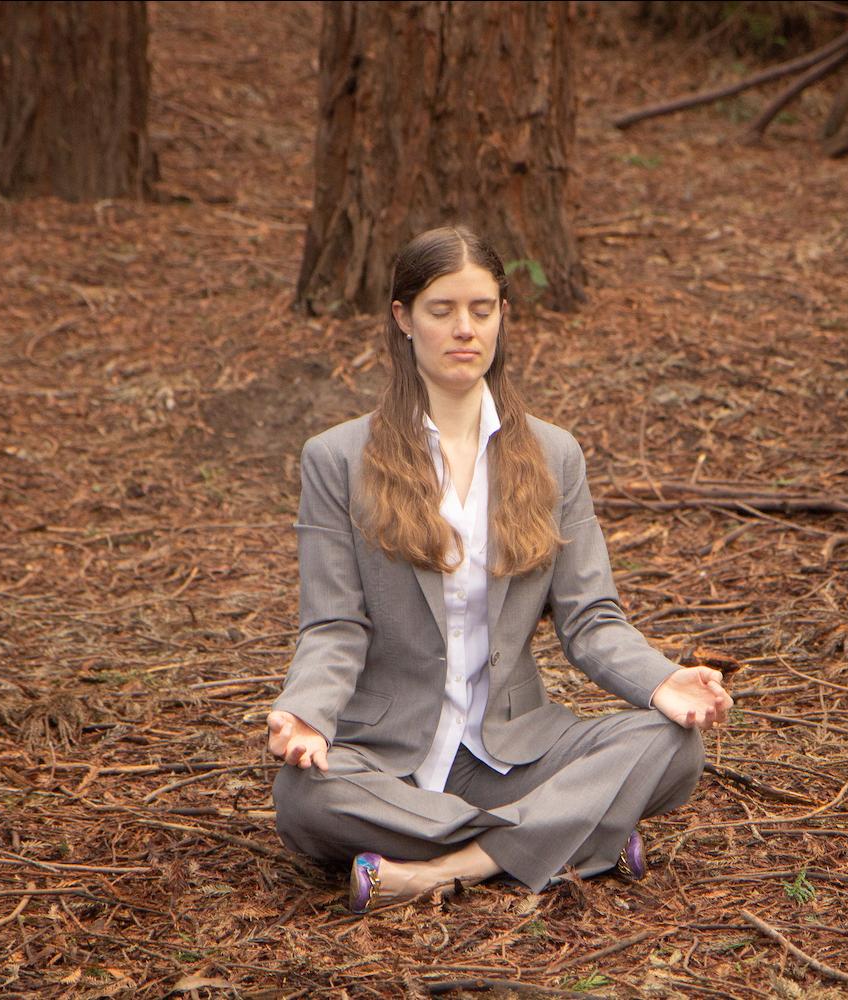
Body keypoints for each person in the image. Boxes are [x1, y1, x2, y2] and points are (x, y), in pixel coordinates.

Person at [266, 225, 731, 913]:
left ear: (503, 315)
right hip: (389, 758)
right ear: (403, 319)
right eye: (441, 310)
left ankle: (451, 867)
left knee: (673, 744)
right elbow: (334, 623)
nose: (464, 329)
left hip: (516, 753)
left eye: (481, 310)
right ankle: (578, 835)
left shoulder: (554, 454)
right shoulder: (337, 459)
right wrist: (306, 714)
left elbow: (591, 620)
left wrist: (662, 680)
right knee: (304, 797)